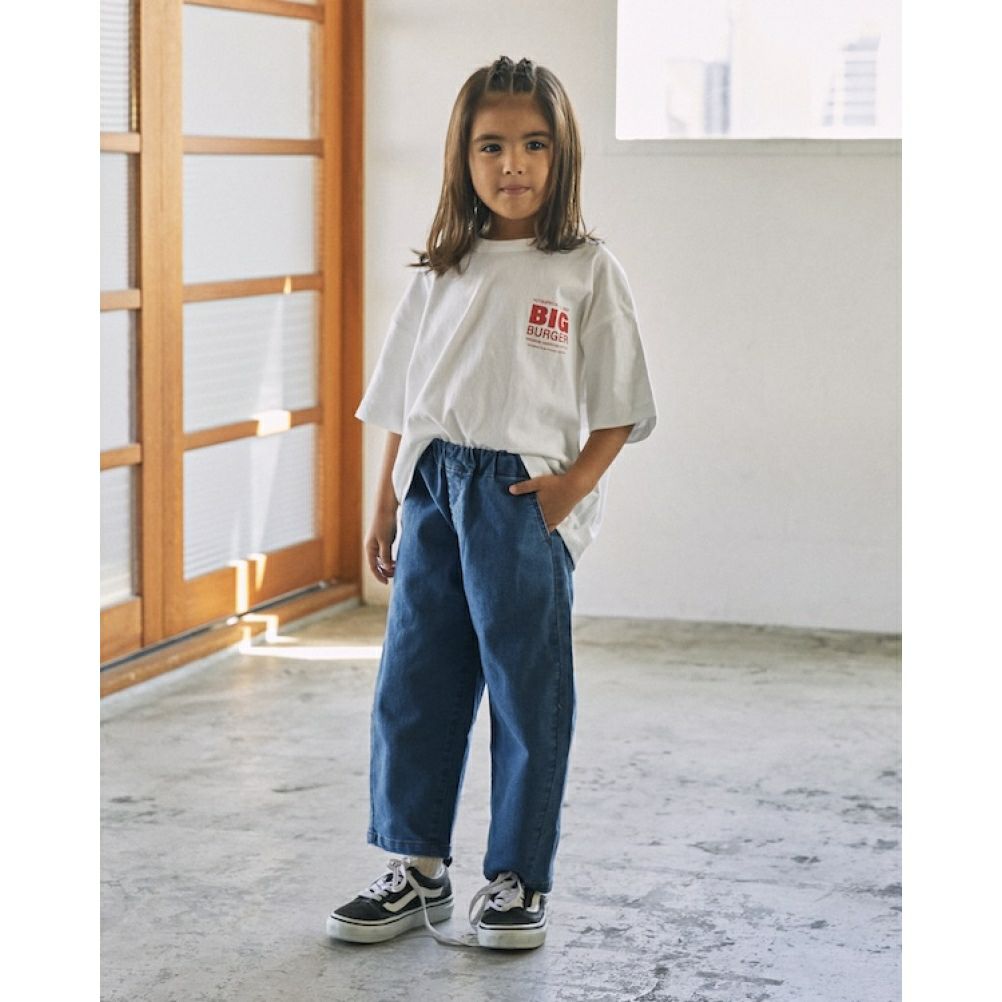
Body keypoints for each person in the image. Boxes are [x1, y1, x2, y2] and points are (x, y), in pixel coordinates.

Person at [326, 55, 657, 951]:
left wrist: (567, 493)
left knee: (526, 691)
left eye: (535, 145)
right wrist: (388, 500)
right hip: (433, 487)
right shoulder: (443, 271)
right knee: (414, 682)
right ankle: (416, 868)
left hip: (521, 497)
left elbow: (620, 405)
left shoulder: (585, 269)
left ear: (562, 154)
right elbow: (405, 400)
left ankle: (516, 878)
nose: (513, 164)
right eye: (492, 145)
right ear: (462, 156)